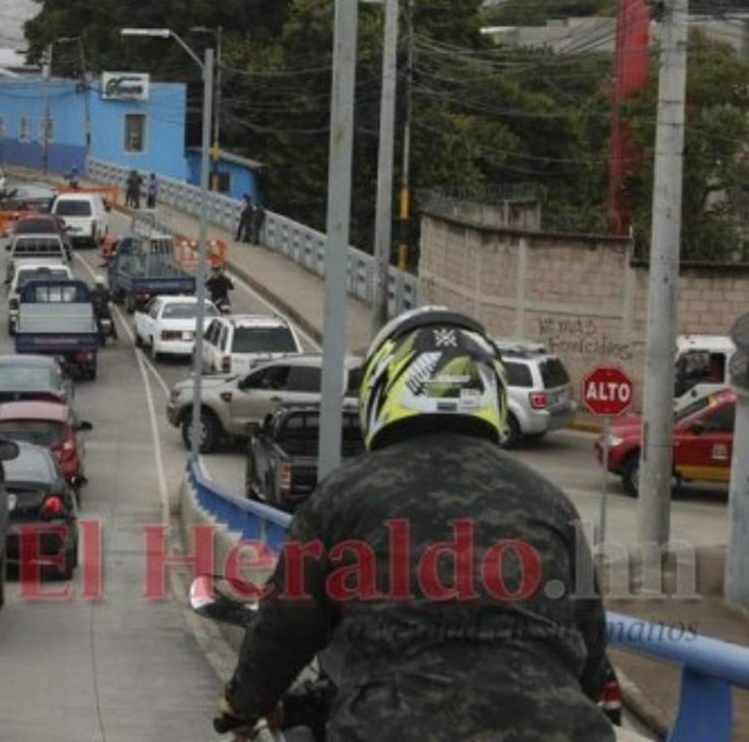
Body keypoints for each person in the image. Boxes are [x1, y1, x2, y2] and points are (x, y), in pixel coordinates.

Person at [217, 306, 615, 742]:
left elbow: (287, 625)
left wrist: (242, 705)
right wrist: (600, 691)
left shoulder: (344, 496)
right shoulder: (550, 501)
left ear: (385, 387)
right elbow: (590, 637)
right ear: (491, 389)